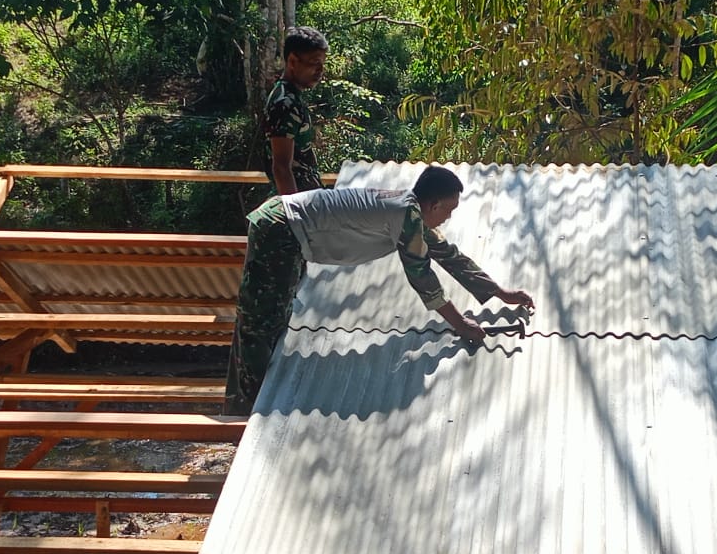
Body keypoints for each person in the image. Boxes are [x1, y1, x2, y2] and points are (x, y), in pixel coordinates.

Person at [224, 166, 535, 415]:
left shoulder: (409, 211)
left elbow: (450, 256)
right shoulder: (406, 215)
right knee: (262, 320)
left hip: (286, 226)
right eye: (449, 210)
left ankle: (246, 400)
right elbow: (422, 277)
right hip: (282, 226)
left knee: (272, 316)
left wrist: (499, 292)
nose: (449, 217)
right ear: (434, 204)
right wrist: (460, 324)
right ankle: (245, 408)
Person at [265, 26, 329, 194]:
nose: (320, 70)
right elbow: (281, 167)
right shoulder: (284, 103)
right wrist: (297, 214)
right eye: (315, 63)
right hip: (300, 202)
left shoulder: (292, 97)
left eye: (322, 64)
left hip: (310, 198)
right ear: (293, 61)